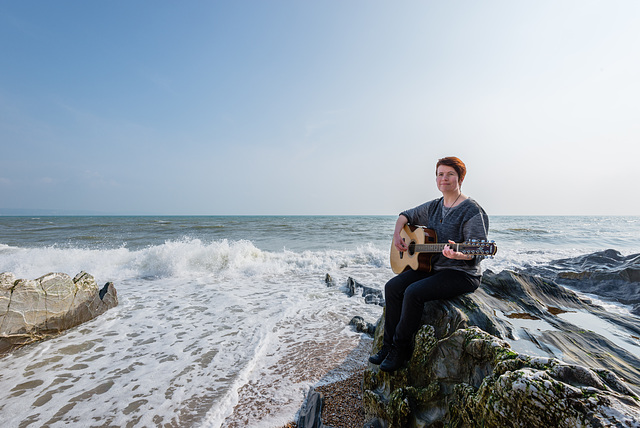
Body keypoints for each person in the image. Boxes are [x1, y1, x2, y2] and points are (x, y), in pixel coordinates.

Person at [369, 156, 489, 372]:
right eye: (440, 174)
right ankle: (387, 347)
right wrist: (397, 235)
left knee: (413, 292)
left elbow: (478, 249)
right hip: (433, 268)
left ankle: (401, 350)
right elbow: (405, 215)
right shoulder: (434, 206)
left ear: (460, 178)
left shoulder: (472, 210)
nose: (444, 178)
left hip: (462, 273)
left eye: (450, 174)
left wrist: (458, 255)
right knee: (392, 287)